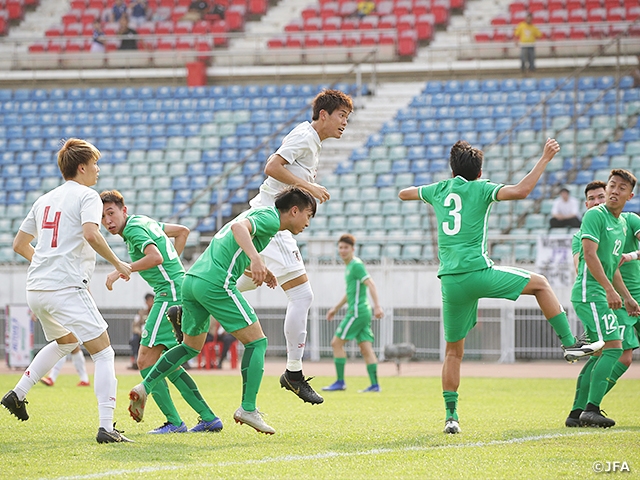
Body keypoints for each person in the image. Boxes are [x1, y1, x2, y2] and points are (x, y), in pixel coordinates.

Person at [398, 138, 604, 435]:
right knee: (541, 285)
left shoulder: (439, 190)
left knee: (453, 353)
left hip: (451, 282)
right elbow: (521, 191)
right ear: (480, 172)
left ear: (453, 169)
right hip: (479, 271)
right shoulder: (481, 188)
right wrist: (544, 158)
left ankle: (451, 417)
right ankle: (570, 342)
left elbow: (404, 193)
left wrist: (434, 190)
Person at [128, 187, 317, 435]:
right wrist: (258, 259)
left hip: (192, 280)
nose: (308, 222)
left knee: (189, 347)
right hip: (215, 284)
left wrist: (255, 267)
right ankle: (248, 408)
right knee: (257, 343)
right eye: (308, 215)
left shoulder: (260, 217)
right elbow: (239, 231)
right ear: (294, 210)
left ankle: (145, 386)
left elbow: (231, 244)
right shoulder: (270, 218)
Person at [1, 138, 132, 444]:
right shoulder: (87, 196)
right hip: (66, 286)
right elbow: (91, 233)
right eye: (95, 164)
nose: (98, 170)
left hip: (37, 287)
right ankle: (106, 427)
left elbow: (19, 245)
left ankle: (17, 393)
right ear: (82, 167)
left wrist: (46, 264)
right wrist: (118, 262)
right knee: (104, 352)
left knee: (66, 342)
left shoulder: (44, 199)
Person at [237, 89, 353, 406]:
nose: (345, 123)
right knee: (302, 295)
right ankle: (293, 372)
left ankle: (188, 306)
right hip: (271, 221)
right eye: (342, 116)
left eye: (348, 118)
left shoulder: (311, 144)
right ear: (324, 115)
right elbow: (271, 166)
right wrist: (308, 186)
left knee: (233, 285)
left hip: (270, 220)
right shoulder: (304, 135)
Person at [101, 190, 222, 434]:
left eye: (111, 213)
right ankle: (208, 417)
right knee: (166, 362)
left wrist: (122, 269)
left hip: (169, 294)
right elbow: (182, 231)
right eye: (102, 217)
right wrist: (172, 263)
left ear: (123, 210)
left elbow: (154, 257)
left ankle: (175, 422)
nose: (107, 221)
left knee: (145, 359)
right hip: (180, 288)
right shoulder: (145, 221)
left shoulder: (134, 230)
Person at [566, 169, 640, 428]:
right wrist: (609, 291)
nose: (613, 191)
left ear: (630, 195)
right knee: (614, 349)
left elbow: (613, 266)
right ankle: (590, 409)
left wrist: (627, 297)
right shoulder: (595, 215)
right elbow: (588, 255)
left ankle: (577, 413)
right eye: (612, 185)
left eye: (621, 188)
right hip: (592, 294)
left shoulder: (621, 223)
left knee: (603, 352)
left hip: (603, 294)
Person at [323, 234, 384, 393]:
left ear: (352, 249)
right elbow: (349, 293)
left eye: (346, 248)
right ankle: (375, 385)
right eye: (341, 247)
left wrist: (378, 306)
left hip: (357, 311)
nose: (342, 250)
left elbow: (370, 283)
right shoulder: (349, 266)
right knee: (365, 348)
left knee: (336, 343)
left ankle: (340, 382)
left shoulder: (356, 265)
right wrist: (335, 308)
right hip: (362, 311)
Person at [571, 181, 607, 272]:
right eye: (591, 198)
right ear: (586, 205)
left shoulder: (627, 221)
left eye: (601, 197)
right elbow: (578, 268)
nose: (596, 202)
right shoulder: (579, 236)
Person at [129, 293, 154, 370]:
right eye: (149, 301)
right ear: (146, 302)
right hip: (142, 335)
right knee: (134, 340)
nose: (150, 303)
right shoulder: (141, 313)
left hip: (154, 335)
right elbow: (135, 325)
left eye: (152, 301)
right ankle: (135, 359)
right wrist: (140, 332)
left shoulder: (156, 312)